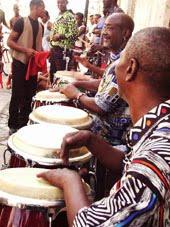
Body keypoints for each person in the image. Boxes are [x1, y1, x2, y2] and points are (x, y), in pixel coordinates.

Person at [38, 27, 170, 227]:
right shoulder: (161, 127)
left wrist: (69, 180)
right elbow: (130, 163)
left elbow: (87, 224)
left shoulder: (155, 158)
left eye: (120, 59)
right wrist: (92, 141)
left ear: (130, 69)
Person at [60, 13, 134, 146]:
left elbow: (101, 106)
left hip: (109, 137)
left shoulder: (124, 63)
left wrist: (76, 94)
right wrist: (76, 83)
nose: (104, 33)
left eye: (110, 28)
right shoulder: (118, 57)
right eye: (104, 28)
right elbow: (107, 83)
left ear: (125, 33)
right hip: (102, 126)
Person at [7, 0, 45, 135]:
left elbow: (38, 46)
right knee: (17, 94)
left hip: (33, 65)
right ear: (35, 7)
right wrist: (25, 50)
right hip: (20, 63)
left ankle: (23, 124)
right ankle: (12, 124)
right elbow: (9, 41)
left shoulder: (41, 25)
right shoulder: (21, 22)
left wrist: (43, 55)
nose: (44, 10)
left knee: (29, 95)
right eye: (42, 7)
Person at [49, 0, 78, 83]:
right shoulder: (58, 16)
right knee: (53, 73)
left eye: (62, 2)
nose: (60, 4)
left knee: (62, 75)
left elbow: (75, 34)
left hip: (63, 50)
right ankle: (53, 92)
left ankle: (62, 92)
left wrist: (60, 36)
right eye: (58, 2)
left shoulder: (70, 16)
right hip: (54, 49)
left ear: (66, 3)